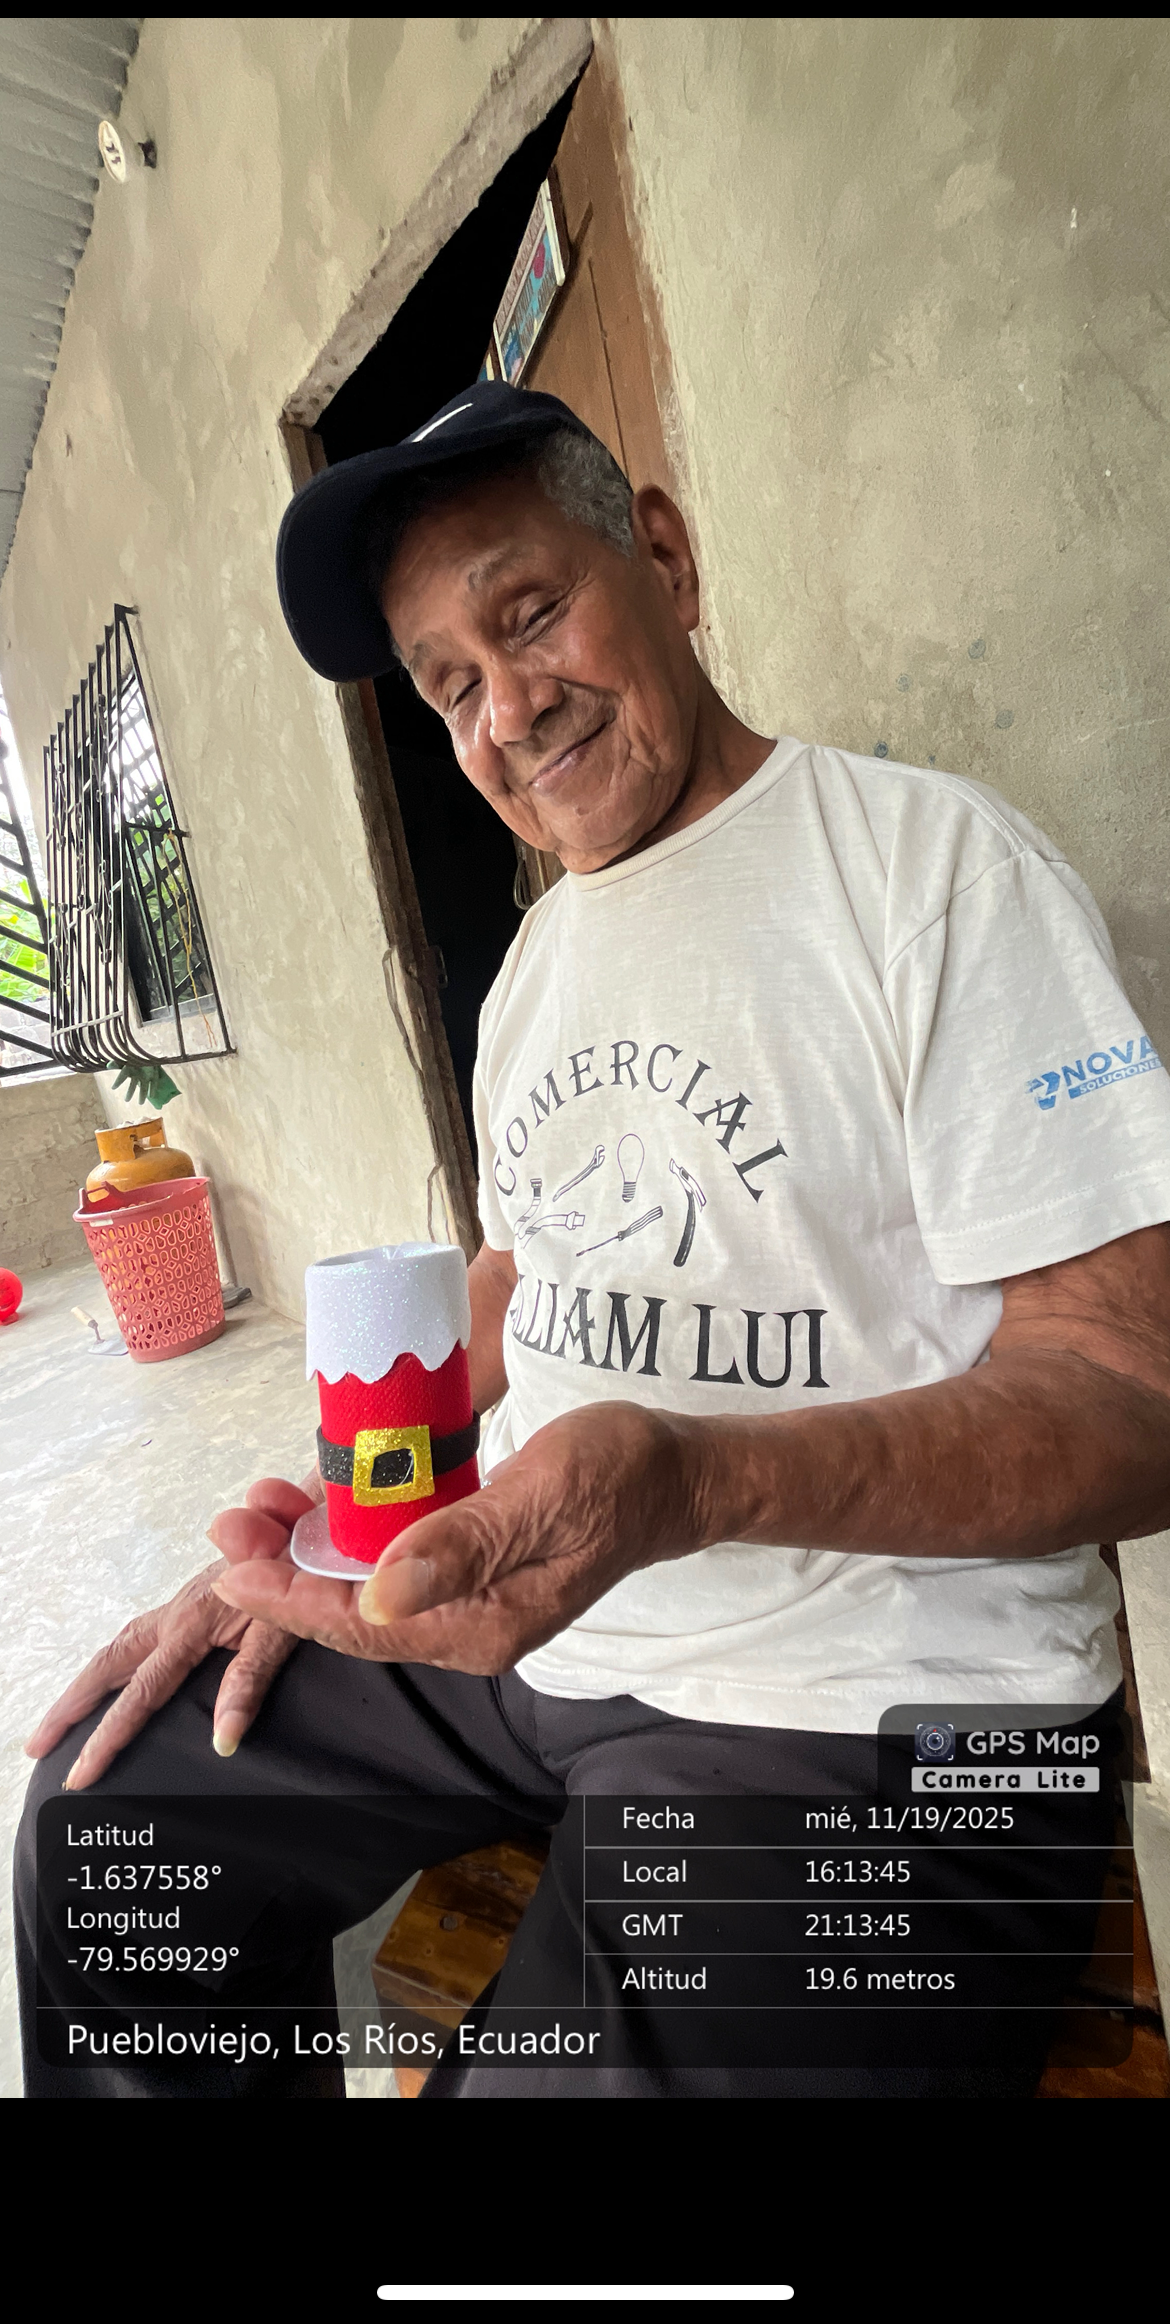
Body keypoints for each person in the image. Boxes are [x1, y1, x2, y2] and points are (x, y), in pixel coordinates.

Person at [17, 382, 1170, 2099]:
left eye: (531, 612)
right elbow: (531, 1268)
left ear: (666, 557)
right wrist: (328, 1534)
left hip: (891, 1713)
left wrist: (687, 1485)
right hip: (553, 1647)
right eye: (448, 684)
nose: (507, 710)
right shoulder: (539, 969)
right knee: (115, 1841)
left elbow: (1132, 1395)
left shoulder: (929, 871)